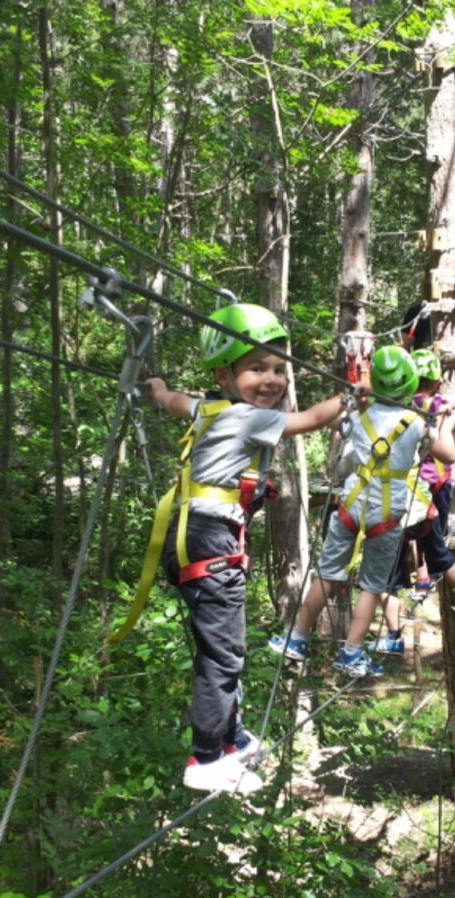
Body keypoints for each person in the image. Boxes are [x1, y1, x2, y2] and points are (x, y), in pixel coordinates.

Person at [141, 304, 345, 794]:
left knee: (221, 647)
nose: (271, 379)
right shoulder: (251, 418)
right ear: (225, 376)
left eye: (278, 369)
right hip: (210, 540)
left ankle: (231, 738)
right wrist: (354, 397)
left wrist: (158, 391)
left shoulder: (211, 407)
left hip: (188, 536)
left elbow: (177, 402)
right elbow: (312, 418)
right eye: (257, 368)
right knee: (224, 654)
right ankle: (207, 758)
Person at [269, 345, 454, 678]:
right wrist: (443, 425)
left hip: (351, 505)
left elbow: (326, 420)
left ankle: (295, 638)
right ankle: (351, 652)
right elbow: (448, 455)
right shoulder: (416, 423)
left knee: (327, 574)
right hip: (388, 513)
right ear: (410, 384)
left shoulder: (357, 417)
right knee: (371, 586)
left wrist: (356, 396)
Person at [372, 350, 455, 655]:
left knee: (389, 574)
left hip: (399, 497)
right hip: (430, 490)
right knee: (438, 547)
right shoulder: (434, 405)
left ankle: (395, 633)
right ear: (437, 380)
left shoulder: (399, 408)